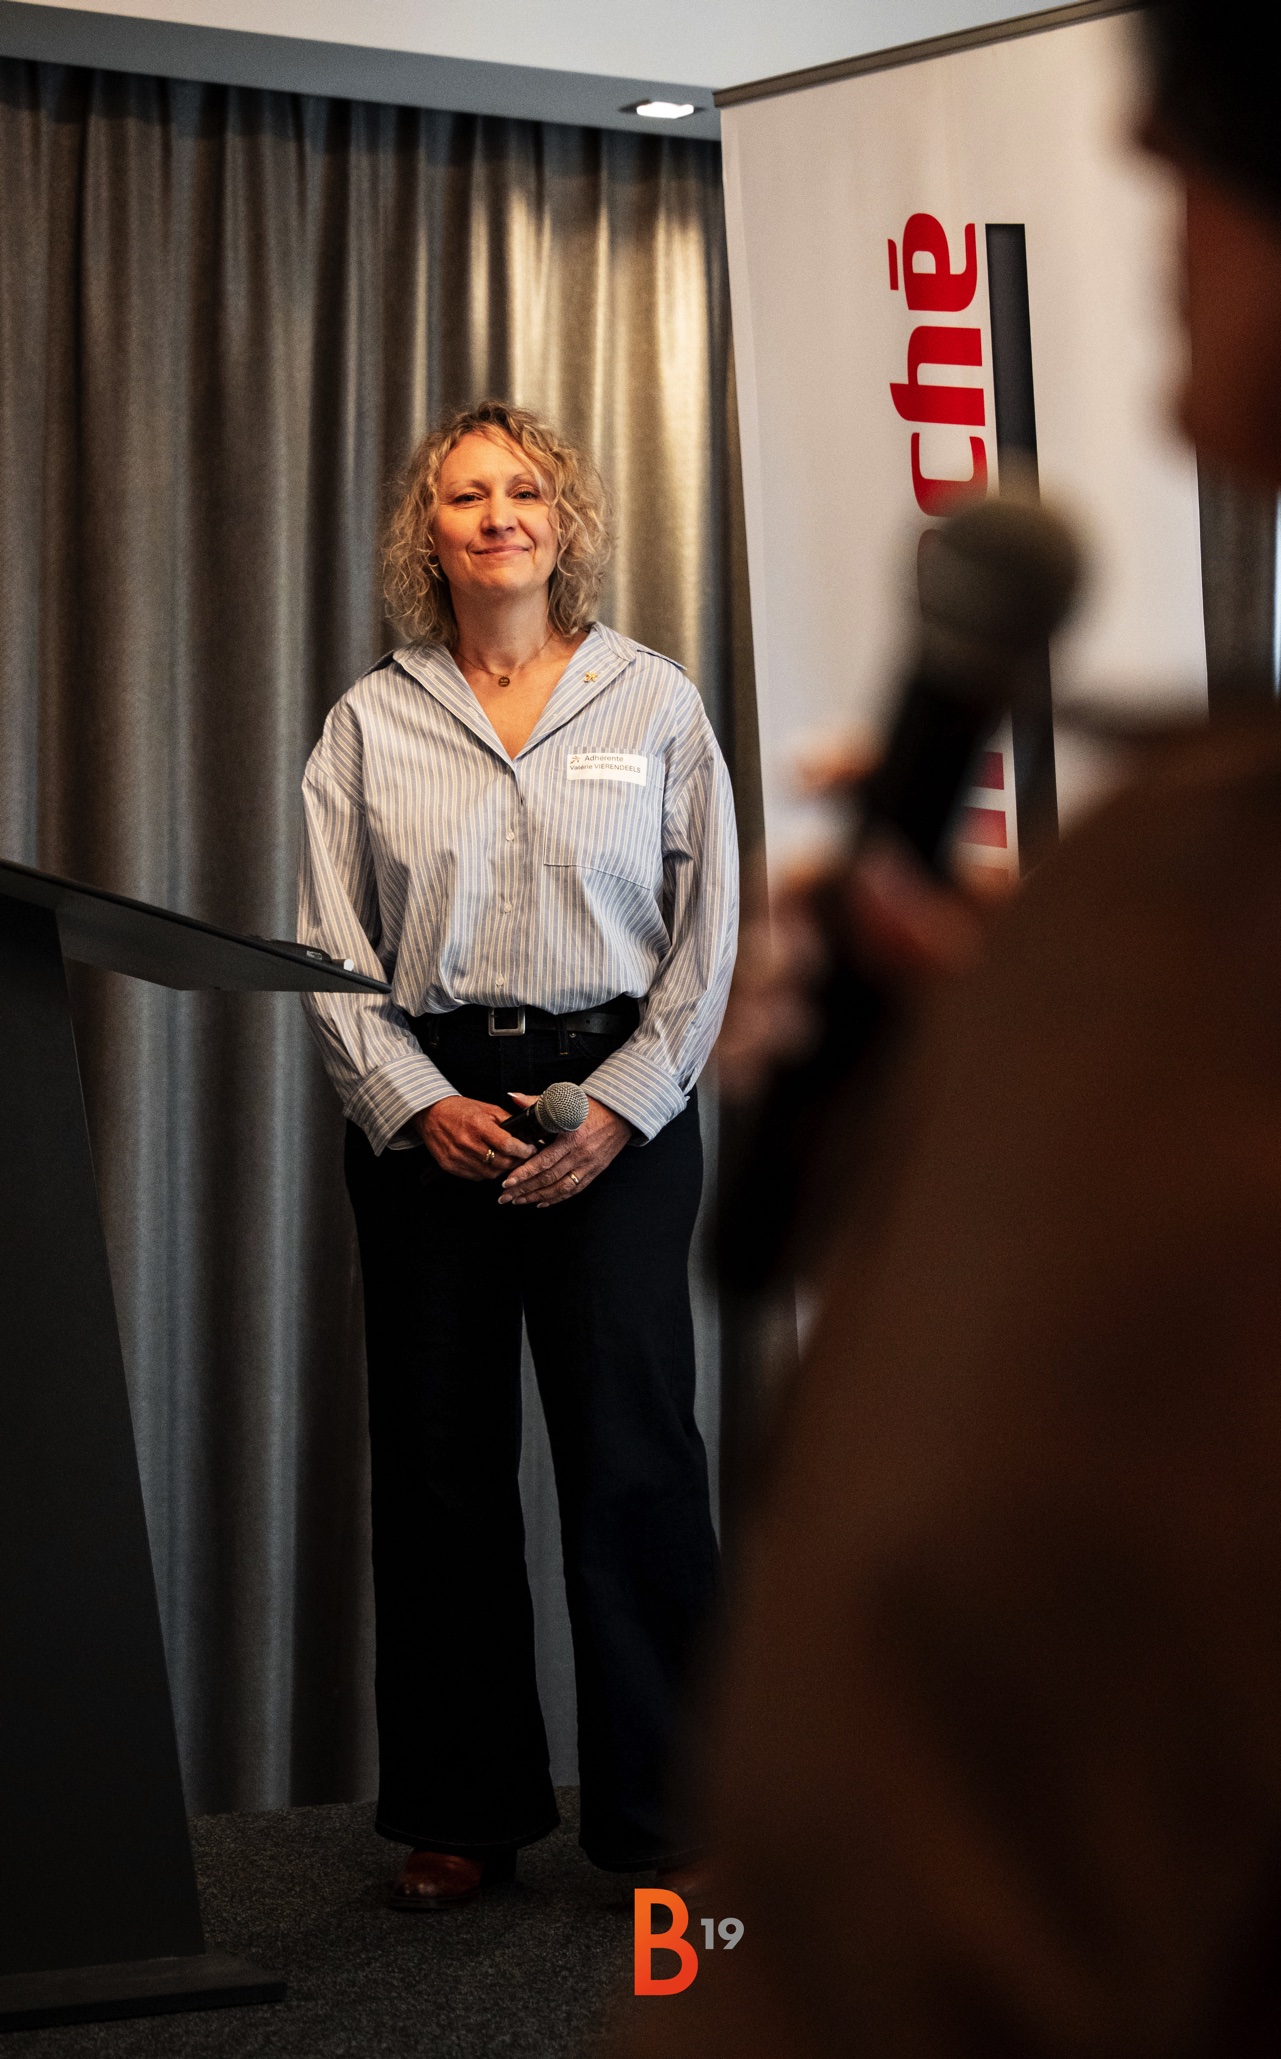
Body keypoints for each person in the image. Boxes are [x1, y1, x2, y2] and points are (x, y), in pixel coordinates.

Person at [620, 2, 1281, 2052]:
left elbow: (935, 1877)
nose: (1143, 161)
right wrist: (1016, 1082)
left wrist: (1070, 1090)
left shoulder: (1245, 923)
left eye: (1207, 98)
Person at [297, 400, 737, 1906]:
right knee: (439, 1465)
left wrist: (620, 1106)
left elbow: (708, 939)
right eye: (468, 495)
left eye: (526, 491)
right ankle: (461, 1808)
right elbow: (327, 947)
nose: (499, 516)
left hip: (617, 1106)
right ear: (428, 533)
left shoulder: (652, 701)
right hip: (431, 1115)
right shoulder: (370, 722)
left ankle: (670, 1818)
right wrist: (416, 1102)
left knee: (635, 1457)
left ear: (566, 523)